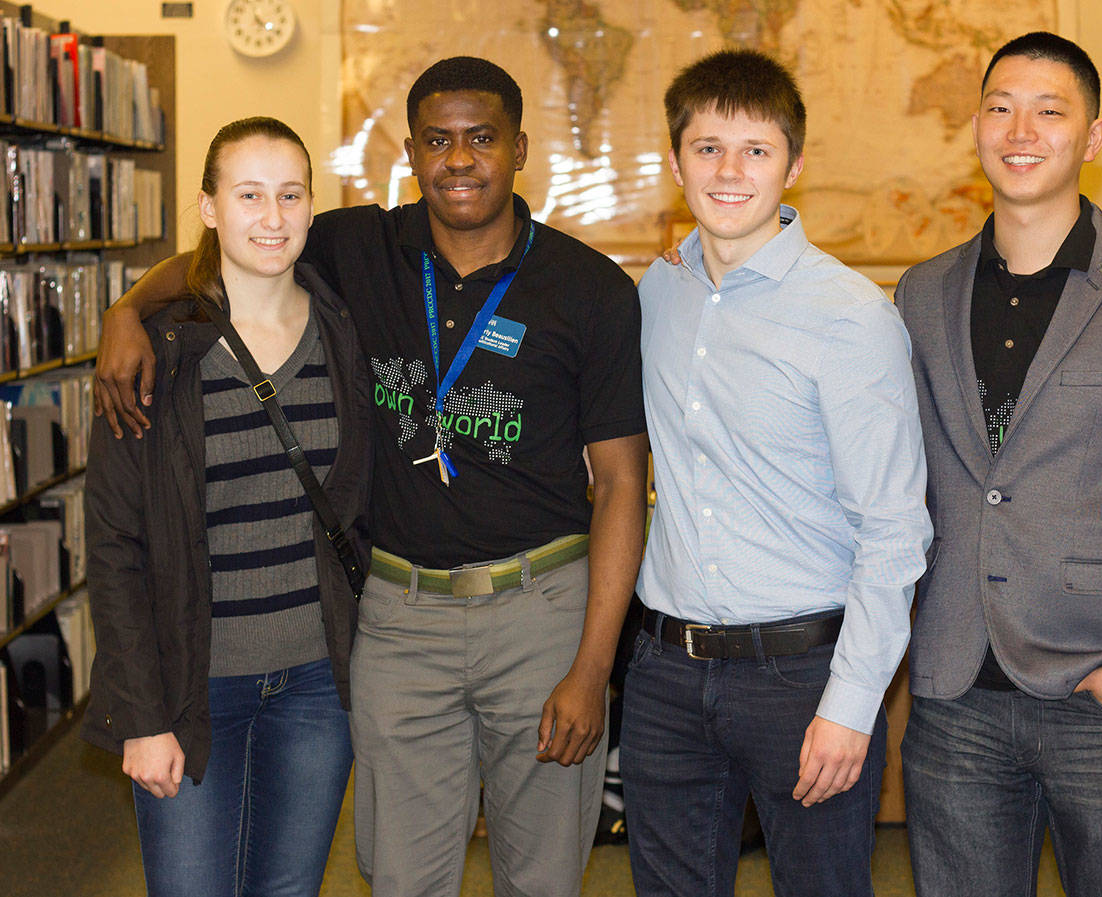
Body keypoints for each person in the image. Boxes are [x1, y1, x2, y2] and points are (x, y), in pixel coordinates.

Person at [92, 57, 649, 897]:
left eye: (482, 137)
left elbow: (618, 487)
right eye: (437, 140)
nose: (459, 158)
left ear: (521, 147)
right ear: (413, 153)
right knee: (398, 877)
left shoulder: (591, 289)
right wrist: (123, 311)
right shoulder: (360, 248)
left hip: (541, 618)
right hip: (397, 620)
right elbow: (230, 252)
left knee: (541, 878)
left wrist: (592, 668)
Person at [895, 32, 1102, 897]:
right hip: (953, 686)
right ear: (975, 123)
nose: (1022, 129)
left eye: (1051, 111)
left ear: (1091, 138)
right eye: (1001, 106)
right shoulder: (922, 292)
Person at [624, 49, 932, 897]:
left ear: (793, 165)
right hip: (665, 671)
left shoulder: (852, 316)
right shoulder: (658, 291)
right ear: (676, 159)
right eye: (708, 147)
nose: (730, 171)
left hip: (802, 675)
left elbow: (895, 528)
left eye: (756, 150)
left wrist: (852, 702)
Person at [82, 116, 372, 897]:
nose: (272, 218)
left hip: (318, 684)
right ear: (208, 207)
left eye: (290, 195)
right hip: (190, 684)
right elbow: (113, 545)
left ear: (314, 206)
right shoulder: (154, 351)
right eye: (249, 195)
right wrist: (141, 715)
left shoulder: (345, 328)